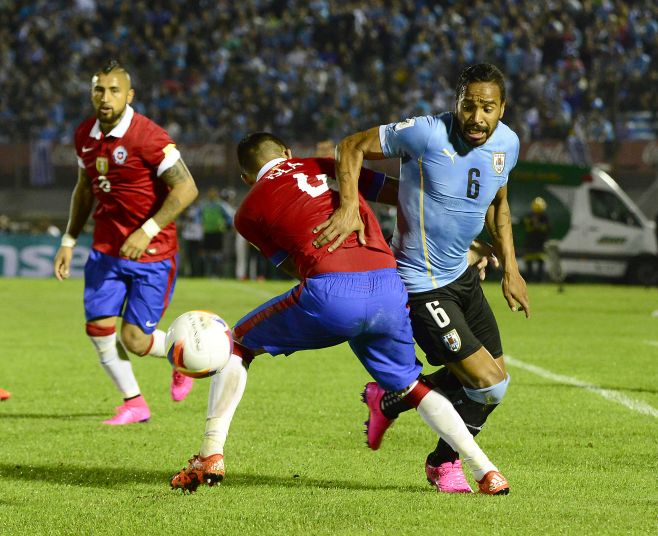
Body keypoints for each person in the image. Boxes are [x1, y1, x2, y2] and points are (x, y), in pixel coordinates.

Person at [170, 132, 510, 495]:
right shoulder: (329, 166)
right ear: (287, 152)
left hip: (332, 292)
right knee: (412, 387)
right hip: (389, 287)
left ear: (245, 178)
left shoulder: (247, 212)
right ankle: (485, 471)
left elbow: (290, 266)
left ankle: (210, 452)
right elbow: (404, 194)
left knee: (238, 343)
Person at [312, 63, 529, 493]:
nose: (477, 117)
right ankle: (444, 462)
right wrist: (350, 206)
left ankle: (396, 404)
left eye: (487, 108)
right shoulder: (426, 133)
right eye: (469, 105)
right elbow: (350, 146)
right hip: (421, 284)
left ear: (502, 109)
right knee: (488, 384)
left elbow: (497, 204)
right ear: (457, 103)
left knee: (493, 389)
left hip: (463, 276)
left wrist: (512, 268)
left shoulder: (509, 144)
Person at [53, 60, 199, 425]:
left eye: (114, 90)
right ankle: (134, 402)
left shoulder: (149, 137)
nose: (105, 97)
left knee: (135, 339)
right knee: (98, 327)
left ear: (129, 95)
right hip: (106, 249)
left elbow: (187, 188)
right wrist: (69, 239)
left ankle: (184, 358)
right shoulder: (84, 134)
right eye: (99, 89)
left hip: (152, 254)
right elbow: (84, 188)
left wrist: (146, 230)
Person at [522, 196, 550, 282]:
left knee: (540, 261)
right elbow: (526, 226)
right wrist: (534, 225)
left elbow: (547, 228)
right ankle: (529, 279)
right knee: (529, 262)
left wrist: (538, 226)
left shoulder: (544, 218)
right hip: (531, 242)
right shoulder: (529, 217)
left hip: (540, 242)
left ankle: (539, 279)